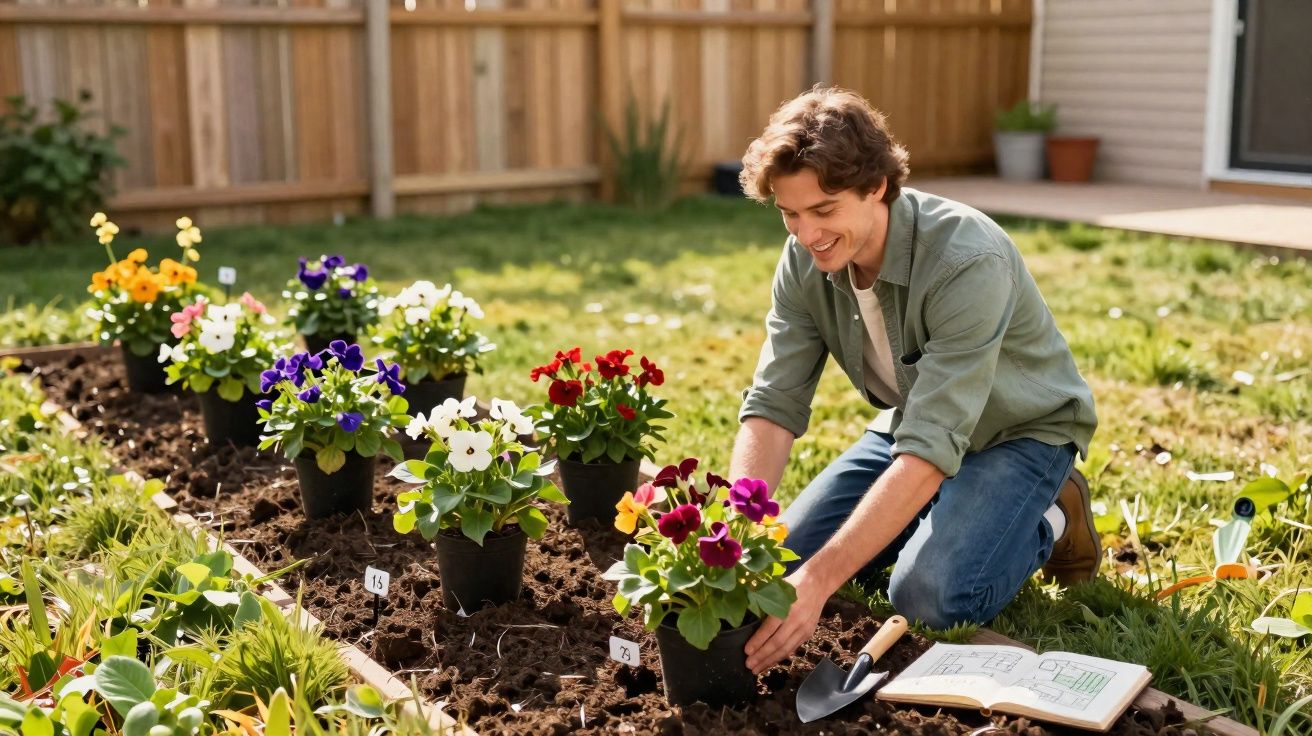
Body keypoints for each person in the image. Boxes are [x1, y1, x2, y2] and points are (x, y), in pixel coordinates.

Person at [729, 87, 1101, 675]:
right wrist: (737, 534)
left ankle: (1052, 517)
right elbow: (774, 402)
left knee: (928, 596)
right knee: (778, 564)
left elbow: (931, 446)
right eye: (789, 214)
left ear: (876, 187)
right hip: (914, 422)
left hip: (1018, 432)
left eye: (824, 211)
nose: (806, 234)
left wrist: (822, 579)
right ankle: (934, 520)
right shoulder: (804, 259)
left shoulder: (966, 259)